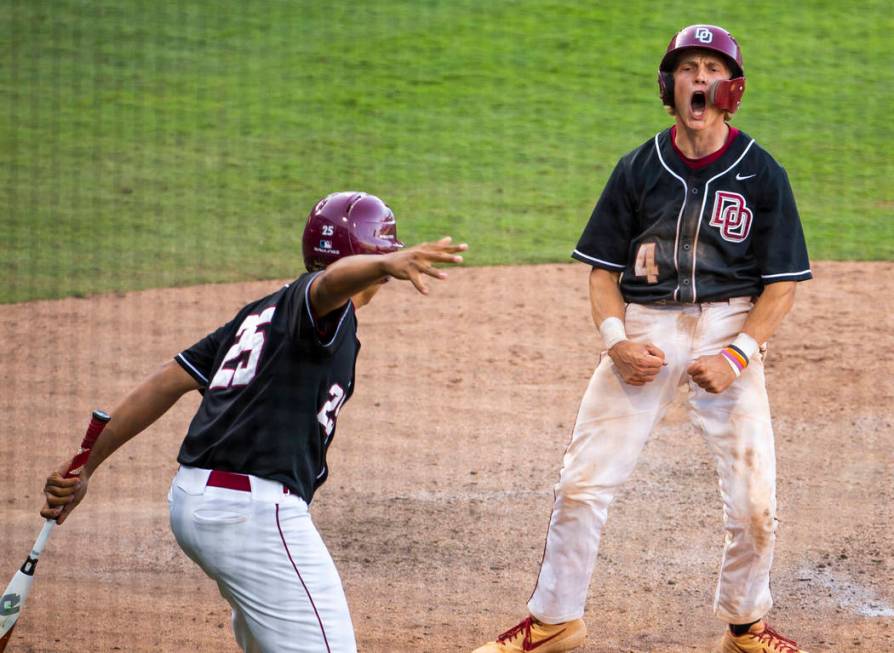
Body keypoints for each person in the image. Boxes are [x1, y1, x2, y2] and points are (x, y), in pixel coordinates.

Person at [474, 24, 812, 653]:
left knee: (755, 505)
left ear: (732, 89)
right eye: (688, 68)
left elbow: (782, 286)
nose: (700, 80)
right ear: (669, 85)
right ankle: (554, 623)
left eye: (713, 69)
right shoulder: (637, 167)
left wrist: (739, 354)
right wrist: (615, 341)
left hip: (730, 331)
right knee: (581, 483)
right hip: (646, 330)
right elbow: (603, 274)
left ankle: (745, 626)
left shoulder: (763, 173)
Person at [41, 191, 467, 653]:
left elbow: (168, 380)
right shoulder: (318, 309)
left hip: (197, 502)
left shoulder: (261, 314)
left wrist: (87, 467)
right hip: (252, 513)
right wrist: (384, 263)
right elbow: (329, 282)